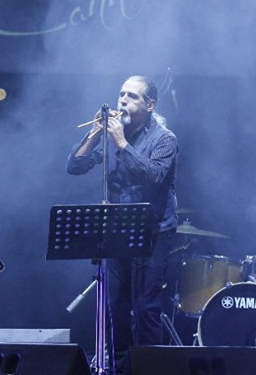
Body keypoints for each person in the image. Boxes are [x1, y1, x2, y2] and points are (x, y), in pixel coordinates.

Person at [66, 75, 179, 374]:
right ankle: (117, 369)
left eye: (132, 96)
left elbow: (154, 176)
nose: (123, 101)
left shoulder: (164, 138)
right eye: (121, 94)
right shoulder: (113, 134)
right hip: (117, 230)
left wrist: (120, 142)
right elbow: (74, 167)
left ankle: (147, 370)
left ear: (150, 104)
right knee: (115, 308)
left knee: (145, 310)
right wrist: (93, 134)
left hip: (154, 231)